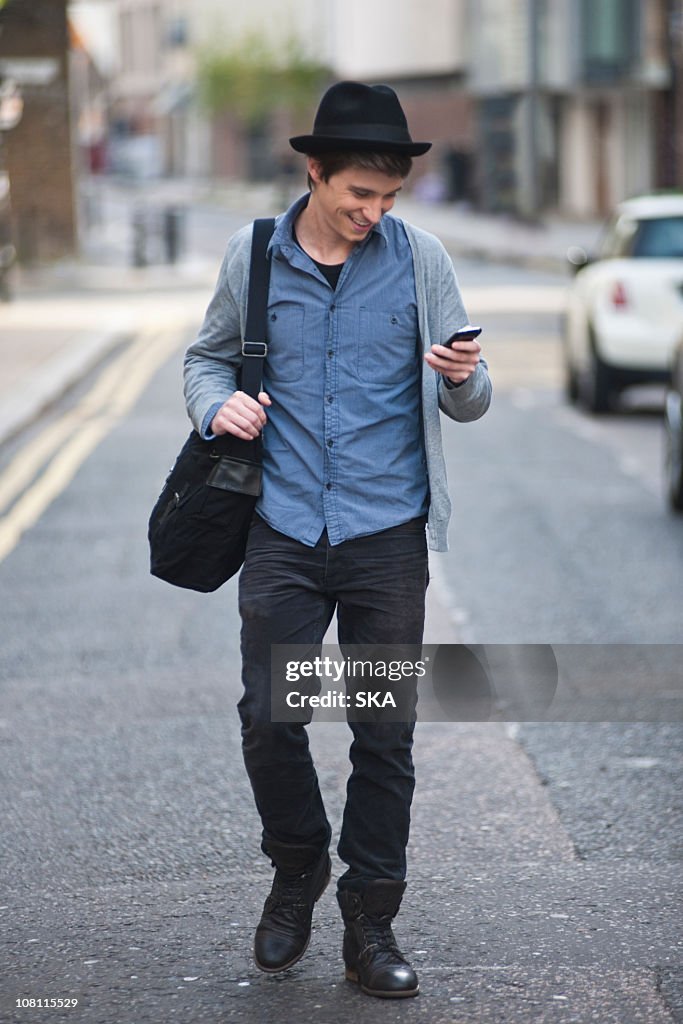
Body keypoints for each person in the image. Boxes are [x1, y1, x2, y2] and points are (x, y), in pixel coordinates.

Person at [183, 81, 492, 999]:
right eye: (358, 193)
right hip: (279, 527)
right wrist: (216, 405)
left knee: (382, 733)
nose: (373, 212)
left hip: (385, 536)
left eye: (388, 197)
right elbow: (204, 356)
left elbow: (468, 401)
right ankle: (297, 868)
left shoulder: (421, 259)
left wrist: (464, 376)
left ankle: (371, 920)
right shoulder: (254, 256)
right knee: (267, 719)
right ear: (313, 172)